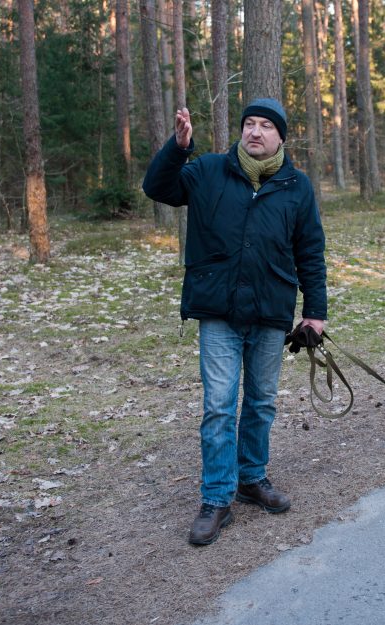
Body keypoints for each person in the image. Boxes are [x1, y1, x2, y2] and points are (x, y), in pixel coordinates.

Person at [143, 98, 327, 546]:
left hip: (270, 310)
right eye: (249, 124)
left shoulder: (296, 186)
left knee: (262, 402)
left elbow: (310, 252)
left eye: (266, 125)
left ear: (281, 137)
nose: (255, 132)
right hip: (219, 310)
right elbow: (157, 187)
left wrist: (316, 312)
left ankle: (251, 478)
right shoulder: (206, 170)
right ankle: (217, 497)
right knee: (220, 406)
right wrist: (178, 147)